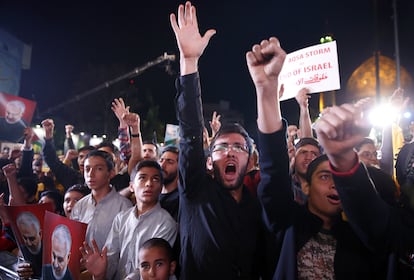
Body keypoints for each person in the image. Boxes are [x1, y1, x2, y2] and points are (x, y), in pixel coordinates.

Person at [250, 35, 391, 278]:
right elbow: (273, 175)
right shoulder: (288, 224)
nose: (335, 184)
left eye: (339, 176)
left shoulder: (361, 236)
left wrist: (345, 157)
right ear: (305, 184)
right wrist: (267, 91)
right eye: (325, 176)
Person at [170, 2, 271, 278]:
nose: (230, 152)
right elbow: (190, 132)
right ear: (209, 161)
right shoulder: (195, 192)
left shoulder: (255, 207)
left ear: (250, 160)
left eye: (239, 147)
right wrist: (189, 63)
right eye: (221, 147)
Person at [314, 99, 414, 278]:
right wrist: (343, 158)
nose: (373, 158)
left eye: (374, 154)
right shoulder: (402, 227)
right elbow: (373, 218)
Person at [81, 160, 177, 279]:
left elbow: (154, 267)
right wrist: (101, 272)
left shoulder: (166, 223)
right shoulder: (121, 218)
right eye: (142, 178)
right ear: (131, 186)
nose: (149, 184)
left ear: (161, 187)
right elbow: (111, 256)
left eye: (155, 179)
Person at [70, 150, 132, 250]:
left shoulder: (124, 206)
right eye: (87, 169)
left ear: (111, 173)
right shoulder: (80, 205)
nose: (91, 174)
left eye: (98, 169)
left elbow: (126, 246)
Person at [290, 137, 322, 204]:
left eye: (314, 154)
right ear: (294, 157)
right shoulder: (283, 183)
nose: (309, 157)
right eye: (303, 152)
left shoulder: (326, 187)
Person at [15, 211, 43, 278]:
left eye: (32, 239)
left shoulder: (52, 248)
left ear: (40, 234)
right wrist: (21, 272)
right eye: (25, 238)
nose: (29, 243)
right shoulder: (23, 249)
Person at [158, 146, 179, 221]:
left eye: (170, 162)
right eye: (161, 160)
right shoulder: (152, 194)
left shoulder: (180, 200)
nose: (162, 166)